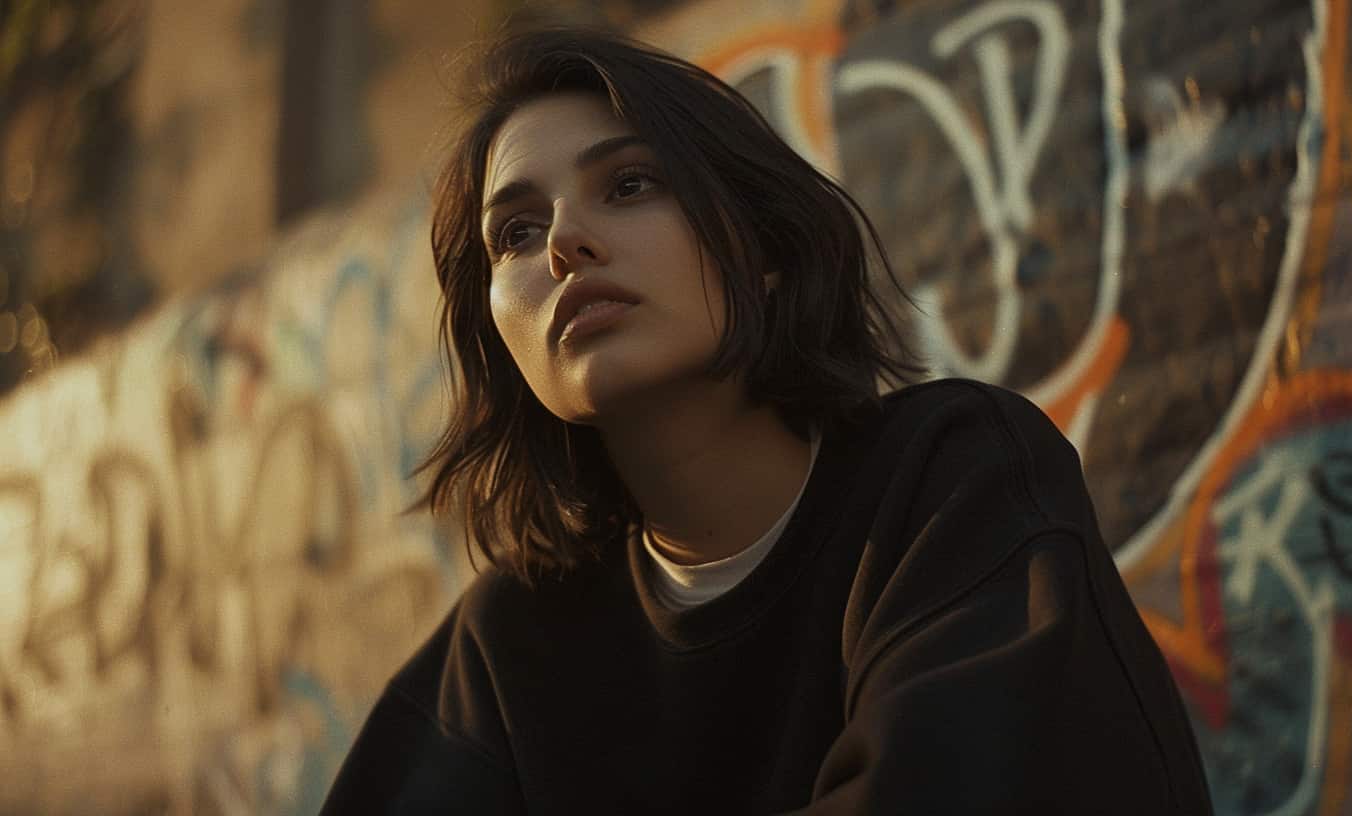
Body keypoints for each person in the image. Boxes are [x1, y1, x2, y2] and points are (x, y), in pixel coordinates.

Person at [322, 25, 1213, 815]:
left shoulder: (953, 480)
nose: (563, 244)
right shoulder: (511, 640)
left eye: (629, 185)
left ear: (765, 254)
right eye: (514, 233)